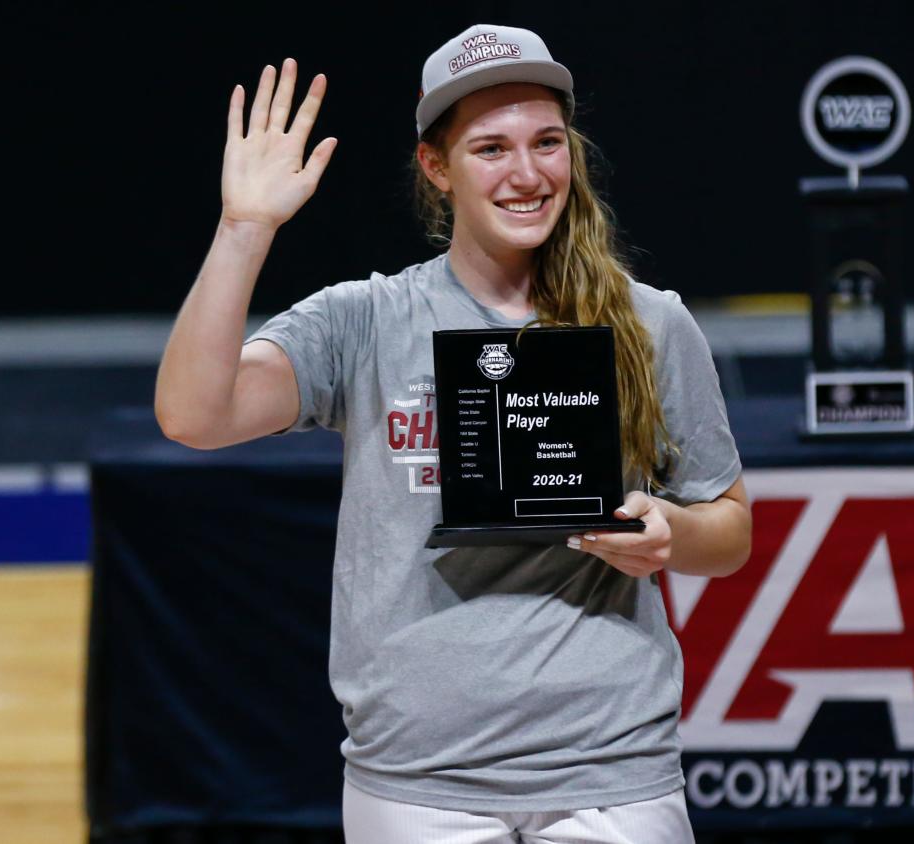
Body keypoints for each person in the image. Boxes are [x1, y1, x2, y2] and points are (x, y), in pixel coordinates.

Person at [155, 23, 751, 844]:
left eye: (547, 142)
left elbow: (729, 531)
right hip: (417, 781)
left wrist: (670, 533)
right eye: (490, 149)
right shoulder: (364, 321)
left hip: (610, 768)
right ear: (436, 169)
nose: (527, 173)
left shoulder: (649, 322)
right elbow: (191, 416)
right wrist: (244, 227)